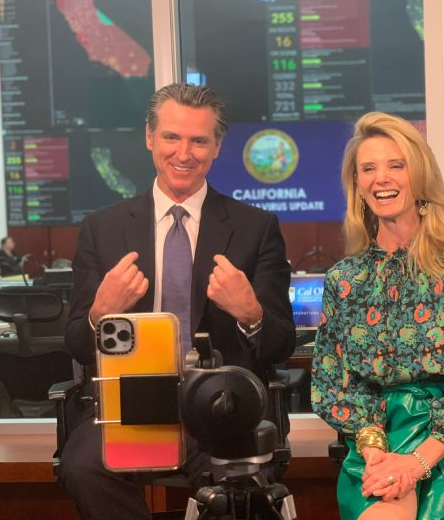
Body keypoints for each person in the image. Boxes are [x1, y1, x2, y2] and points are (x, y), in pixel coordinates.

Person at [59, 83, 296, 520]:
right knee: (83, 466)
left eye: (198, 140)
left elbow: (280, 345)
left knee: (239, 488)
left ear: (217, 147)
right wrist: (98, 313)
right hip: (132, 407)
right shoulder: (103, 230)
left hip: (220, 407)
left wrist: (251, 313)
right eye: (171, 137)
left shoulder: (255, 228)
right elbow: (75, 342)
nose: (183, 153)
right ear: (150, 137)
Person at [311, 112, 444, 520]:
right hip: (378, 435)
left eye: (395, 165)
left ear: (417, 177)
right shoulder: (344, 279)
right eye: (369, 169)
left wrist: (415, 464)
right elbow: (334, 385)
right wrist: (376, 453)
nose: (381, 178)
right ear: (358, 186)